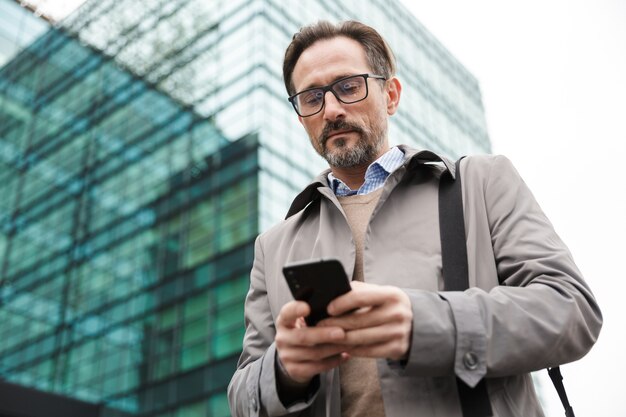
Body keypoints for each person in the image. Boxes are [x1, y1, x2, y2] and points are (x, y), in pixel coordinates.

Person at [228, 20, 602, 417]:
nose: (331, 110)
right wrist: (285, 369)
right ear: (301, 118)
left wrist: (424, 324)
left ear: (391, 95)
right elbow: (241, 394)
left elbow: (572, 308)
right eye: (312, 98)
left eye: (349, 87)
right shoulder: (272, 246)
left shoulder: (481, 182)